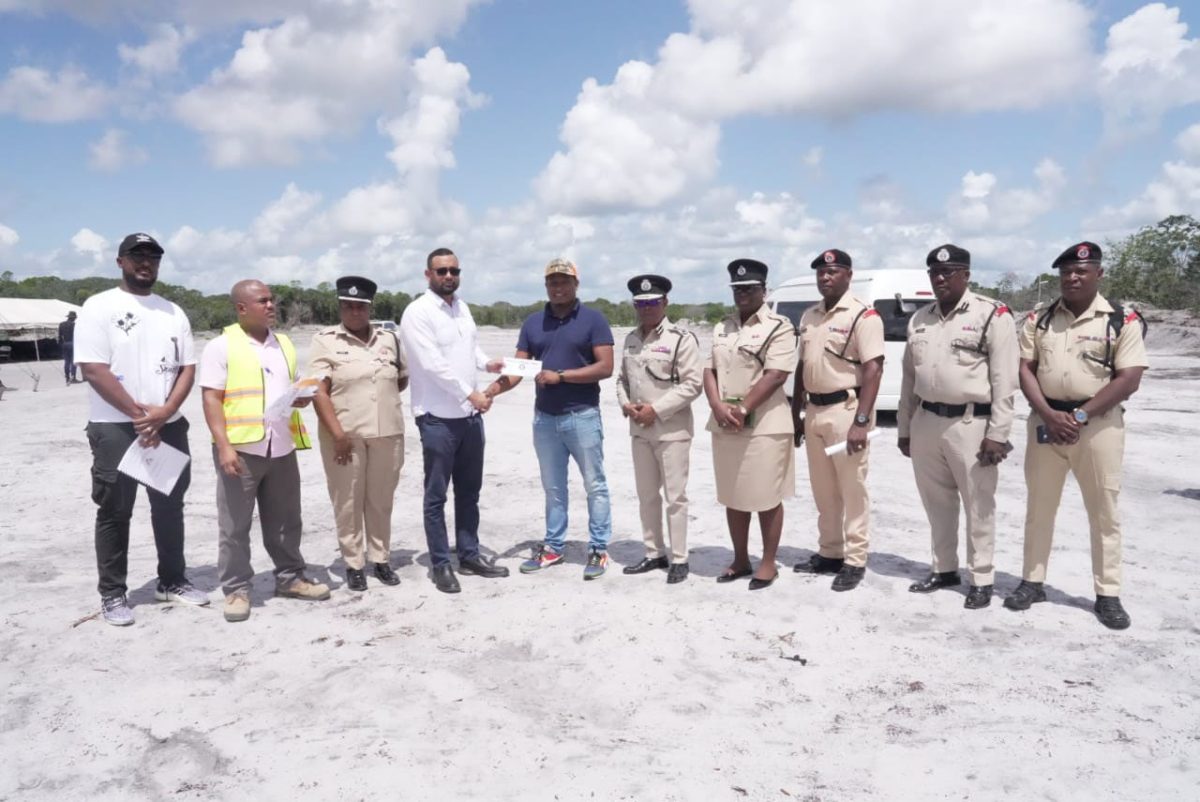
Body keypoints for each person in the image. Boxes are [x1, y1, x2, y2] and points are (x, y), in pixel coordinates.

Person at [1006, 242, 1148, 629]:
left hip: (1098, 426)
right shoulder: (1040, 318)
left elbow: (1129, 378)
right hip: (1046, 422)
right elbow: (1025, 369)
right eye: (1066, 271)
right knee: (1039, 509)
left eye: (1082, 271)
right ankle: (1032, 582)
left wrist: (1081, 415)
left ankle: (1108, 594)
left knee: (1104, 513)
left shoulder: (1122, 319)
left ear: (1098, 274)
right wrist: (1050, 415)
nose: (1072, 277)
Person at [74, 232, 208, 626]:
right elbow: (94, 369)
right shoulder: (99, 306)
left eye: (152, 256)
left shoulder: (173, 311)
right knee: (116, 511)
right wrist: (140, 416)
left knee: (169, 507)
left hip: (167, 424)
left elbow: (187, 368)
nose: (145, 262)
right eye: (137, 255)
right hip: (114, 427)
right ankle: (113, 594)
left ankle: (172, 580)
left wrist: (164, 413)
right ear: (120, 262)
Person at [200, 279, 330, 623]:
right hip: (240, 450)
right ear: (242, 308)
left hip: (281, 445)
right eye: (263, 301)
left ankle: (290, 578)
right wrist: (224, 447)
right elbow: (211, 398)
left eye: (272, 300)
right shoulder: (220, 347)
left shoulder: (284, 343)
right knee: (235, 526)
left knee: (287, 521)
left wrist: (299, 396)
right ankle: (237, 590)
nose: (271, 305)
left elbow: (289, 388)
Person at [897, 244, 1019, 610]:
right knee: (937, 503)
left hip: (972, 424)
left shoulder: (992, 315)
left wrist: (998, 434)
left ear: (966, 275)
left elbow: (1004, 380)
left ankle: (981, 577)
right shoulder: (920, 319)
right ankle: (944, 568)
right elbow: (908, 379)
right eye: (934, 272)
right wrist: (905, 428)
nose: (940, 279)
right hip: (927, 423)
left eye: (949, 273)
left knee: (978, 504)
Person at [485, 258, 615, 580]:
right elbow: (519, 371)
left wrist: (562, 376)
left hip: (582, 416)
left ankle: (598, 549)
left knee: (595, 485)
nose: (558, 287)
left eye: (564, 281)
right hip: (545, 420)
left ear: (576, 284)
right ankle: (554, 546)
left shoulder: (593, 320)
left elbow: (605, 367)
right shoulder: (532, 323)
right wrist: (489, 391)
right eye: (552, 282)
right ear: (546, 286)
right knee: (553, 488)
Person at [400, 248, 510, 594]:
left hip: (469, 419)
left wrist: (486, 365)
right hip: (437, 419)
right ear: (428, 274)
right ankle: (441, 564)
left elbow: (468, 348)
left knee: (469, 492)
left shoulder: (461, 307)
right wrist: (470, 393)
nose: (449, 276)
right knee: (436, 495)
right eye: (442, 271)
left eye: (454, 270)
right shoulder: (417, 313)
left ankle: (469, 555)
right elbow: (433, 364)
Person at [790, 248, 884, 592]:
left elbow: (874, 369)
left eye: (833, 272)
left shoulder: (863, 316)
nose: (825, 277)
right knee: (824, 490)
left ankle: (855, 559)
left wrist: (862, 420)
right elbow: (803, 366)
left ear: (848, 275)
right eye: (821, 273)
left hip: (847, 411)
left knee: (851, 488)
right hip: (814, 411)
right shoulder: (810, 316)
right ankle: (829, 551)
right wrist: (796, 411)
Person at [309, 276, 408, 593]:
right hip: (345, 437)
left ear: (369, 307)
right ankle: (354, 564)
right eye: (348, 306)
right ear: (340, 307)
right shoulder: (325, 341)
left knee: (380, 500)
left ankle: (380, 559)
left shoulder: (389, 339)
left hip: (386, 434)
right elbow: (318, 392)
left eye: (360, 306)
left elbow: (400, 380)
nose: (354, 312)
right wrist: (338, 434)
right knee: (348, 502)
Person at [705, 258, 797, 590]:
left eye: (750, 288)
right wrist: (716, 405)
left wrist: (743, 408)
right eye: (738, 289)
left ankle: (768, 562)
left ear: (764, 290)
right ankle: (740, 558)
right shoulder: (722, 327)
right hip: (726, 423)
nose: (743, 294)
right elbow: (709, 370)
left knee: (765, 496)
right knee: (734, 494)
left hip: (764, 426)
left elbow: (776, 374)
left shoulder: (779, 326)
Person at [615, 274, 702, 584]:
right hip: (640, 430)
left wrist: (656, 410)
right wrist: (627, 405)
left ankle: (679, 558)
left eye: (653, 303)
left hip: (671, 431)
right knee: (647, 495)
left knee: (675, 497)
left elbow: (693, 384)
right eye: (641, 304)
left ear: (665, 303)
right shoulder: (631, 339)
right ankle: (654, 553)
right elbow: (621, 380)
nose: (647, 309)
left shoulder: (681, 339)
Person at [58, 311, 77, 384]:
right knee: (73, 361)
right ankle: (73, 377)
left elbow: (59, 336)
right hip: (72, 343)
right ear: (73, 318)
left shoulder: (61, 324)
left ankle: (67, 377)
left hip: (64, 343)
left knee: (66, 362)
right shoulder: (74, 325)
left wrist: (61, 345)